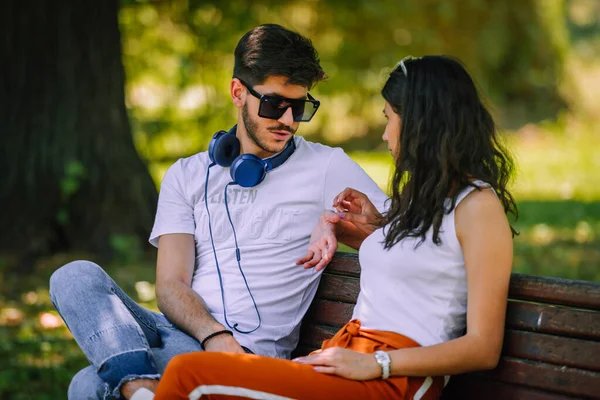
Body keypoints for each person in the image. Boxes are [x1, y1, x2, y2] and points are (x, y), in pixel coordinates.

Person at [49, 24, 387, 400]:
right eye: (275, 105)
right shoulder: (187, 175)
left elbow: (406, 235)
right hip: (186, 332)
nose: (288, 121)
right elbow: (170, 284)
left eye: (300, 107)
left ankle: (135, 388)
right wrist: (214, 334)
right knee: (74, 276)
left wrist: (334, 223)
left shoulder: (327, 167)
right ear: (238, 92)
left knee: (87, 386)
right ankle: (140, 388)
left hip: (246, 356)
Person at [151, 55, 518, 400]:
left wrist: (376, 363)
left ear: (422, 123)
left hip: (391, 379)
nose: (385, 135)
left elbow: (483, 348)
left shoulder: (478, 207)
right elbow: (417, 263)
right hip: (345, 357)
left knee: (191, 375)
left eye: (389, 118)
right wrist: (330, 224)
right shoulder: (426, 200)